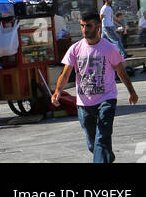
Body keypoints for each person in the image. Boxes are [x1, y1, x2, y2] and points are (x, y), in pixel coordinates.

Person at [51, 9, 138, 163]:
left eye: (88, 26)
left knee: (102, 137)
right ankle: (107, 156)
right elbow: (65, 74)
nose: (85, 30)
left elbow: (121, 72)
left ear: (98, 27)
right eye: (82, 26)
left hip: (106, 98)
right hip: (84, 102)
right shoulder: (75, 48)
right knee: (93, 143)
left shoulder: (109, 48)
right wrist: (58, 91)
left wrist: (132, 92)